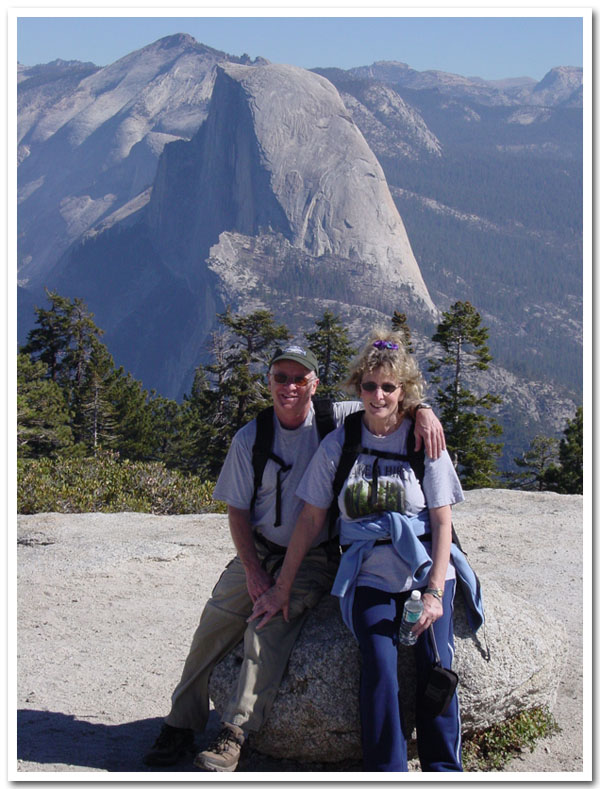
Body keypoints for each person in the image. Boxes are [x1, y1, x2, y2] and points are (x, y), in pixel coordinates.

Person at [143, 342, 445, 772]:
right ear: (269, 382)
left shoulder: (333, 418)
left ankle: (234, 733)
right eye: (280, 378)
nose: (290, 386)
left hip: (313, 558)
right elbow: (237, 512)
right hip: (258, 551)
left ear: (314, 384)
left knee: (266, 624)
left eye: (299, 379)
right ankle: (179, 724)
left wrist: (424, 411)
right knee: (213, 624)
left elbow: (385, 400)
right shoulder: (252, 437)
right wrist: (253, 573)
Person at [250, 330, 466, 772]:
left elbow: (443, 523)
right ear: (358, 387)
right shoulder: (341, 442)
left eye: (388, 387)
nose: (378, 395)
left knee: (435, 664)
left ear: (403, 390)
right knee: (380, 665)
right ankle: (387, 773)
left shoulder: (423, 441)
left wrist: (435, 593)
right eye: (370, 385)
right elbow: (311, 519)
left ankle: (444, 770)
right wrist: (282, 587)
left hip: (425, 569)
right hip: (368, 573)